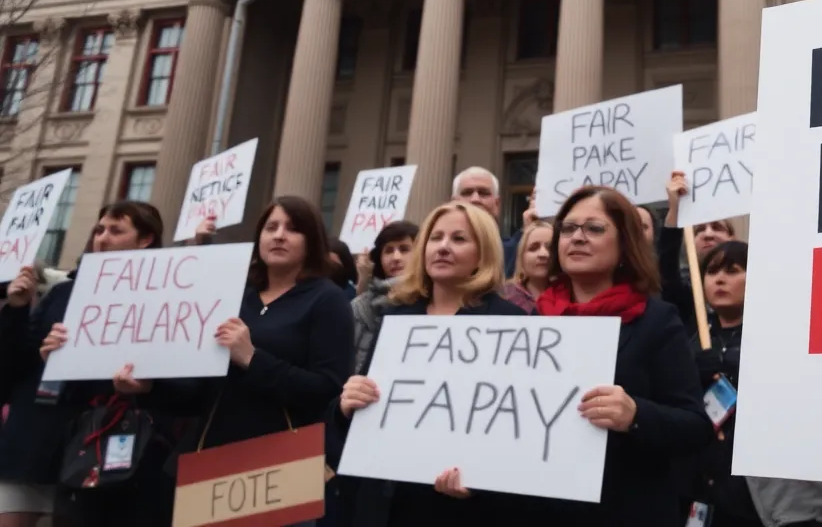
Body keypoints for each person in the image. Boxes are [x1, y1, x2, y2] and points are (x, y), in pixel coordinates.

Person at [331, 201, 528, 525]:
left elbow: (518, 428)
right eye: (435, 238)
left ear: (484, 253)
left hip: (461, 509)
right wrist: (346, 404)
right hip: (387, 502)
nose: (443, 247)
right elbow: (365, 409)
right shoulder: (397, 315)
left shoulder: (509, 321)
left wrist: (482, 483)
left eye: (459, 239)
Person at [116, 196, 354, 458]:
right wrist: (150, 388)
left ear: (312, 241)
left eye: (293, 229)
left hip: (285, 459)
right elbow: (203, 393)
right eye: (271, 228)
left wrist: (253, 359)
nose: (279, 236)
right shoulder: (232, 295)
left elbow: (328, 391)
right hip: (216, 453)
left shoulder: (327, 300)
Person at [534, 186, 713, 526]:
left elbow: (695, 427)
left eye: (595, 228)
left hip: (627, 510)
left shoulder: (657, 321)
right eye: (568, 229)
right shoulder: (534, 322)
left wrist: (635, 414)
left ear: (624, 246)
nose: (578, 238)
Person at [3, 201, 172, 527]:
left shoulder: (158, 300)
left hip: (96, 453)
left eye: (116, 230)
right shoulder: (63, 293)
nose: (102, 238)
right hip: (32, 443)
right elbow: (12, 367)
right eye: (99, 229)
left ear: (146, 239)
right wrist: (16, 311)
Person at [682, 241, 822, 527]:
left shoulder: (789, 330)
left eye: (733, 270)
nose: (720, 278)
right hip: (709, 491)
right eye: (711, 271)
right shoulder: (692, 339)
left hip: (779, 498)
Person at [658, 171, 738, 328]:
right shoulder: (685, 290)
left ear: (732, 238)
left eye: (717, 227)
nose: (708, 234)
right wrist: (675, 209)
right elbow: (666, 268)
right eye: (700, 230)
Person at [351, 220, 418, 373]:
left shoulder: (438, 299)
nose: (396, 257)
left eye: (404, 249)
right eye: (388, 250)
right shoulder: (360, 306)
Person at [452, 167, 523, 277]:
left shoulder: (515, 252)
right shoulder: (436, 248)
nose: (475, 199)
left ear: (497, 204)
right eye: (467, 193)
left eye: (483, 193)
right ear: (453, 202)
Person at [501, 220, 552, 312]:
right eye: (533, 248)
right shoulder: (503, 297)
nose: (543, 254)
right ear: (521, 257)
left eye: (550, 248)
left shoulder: (573, 295)